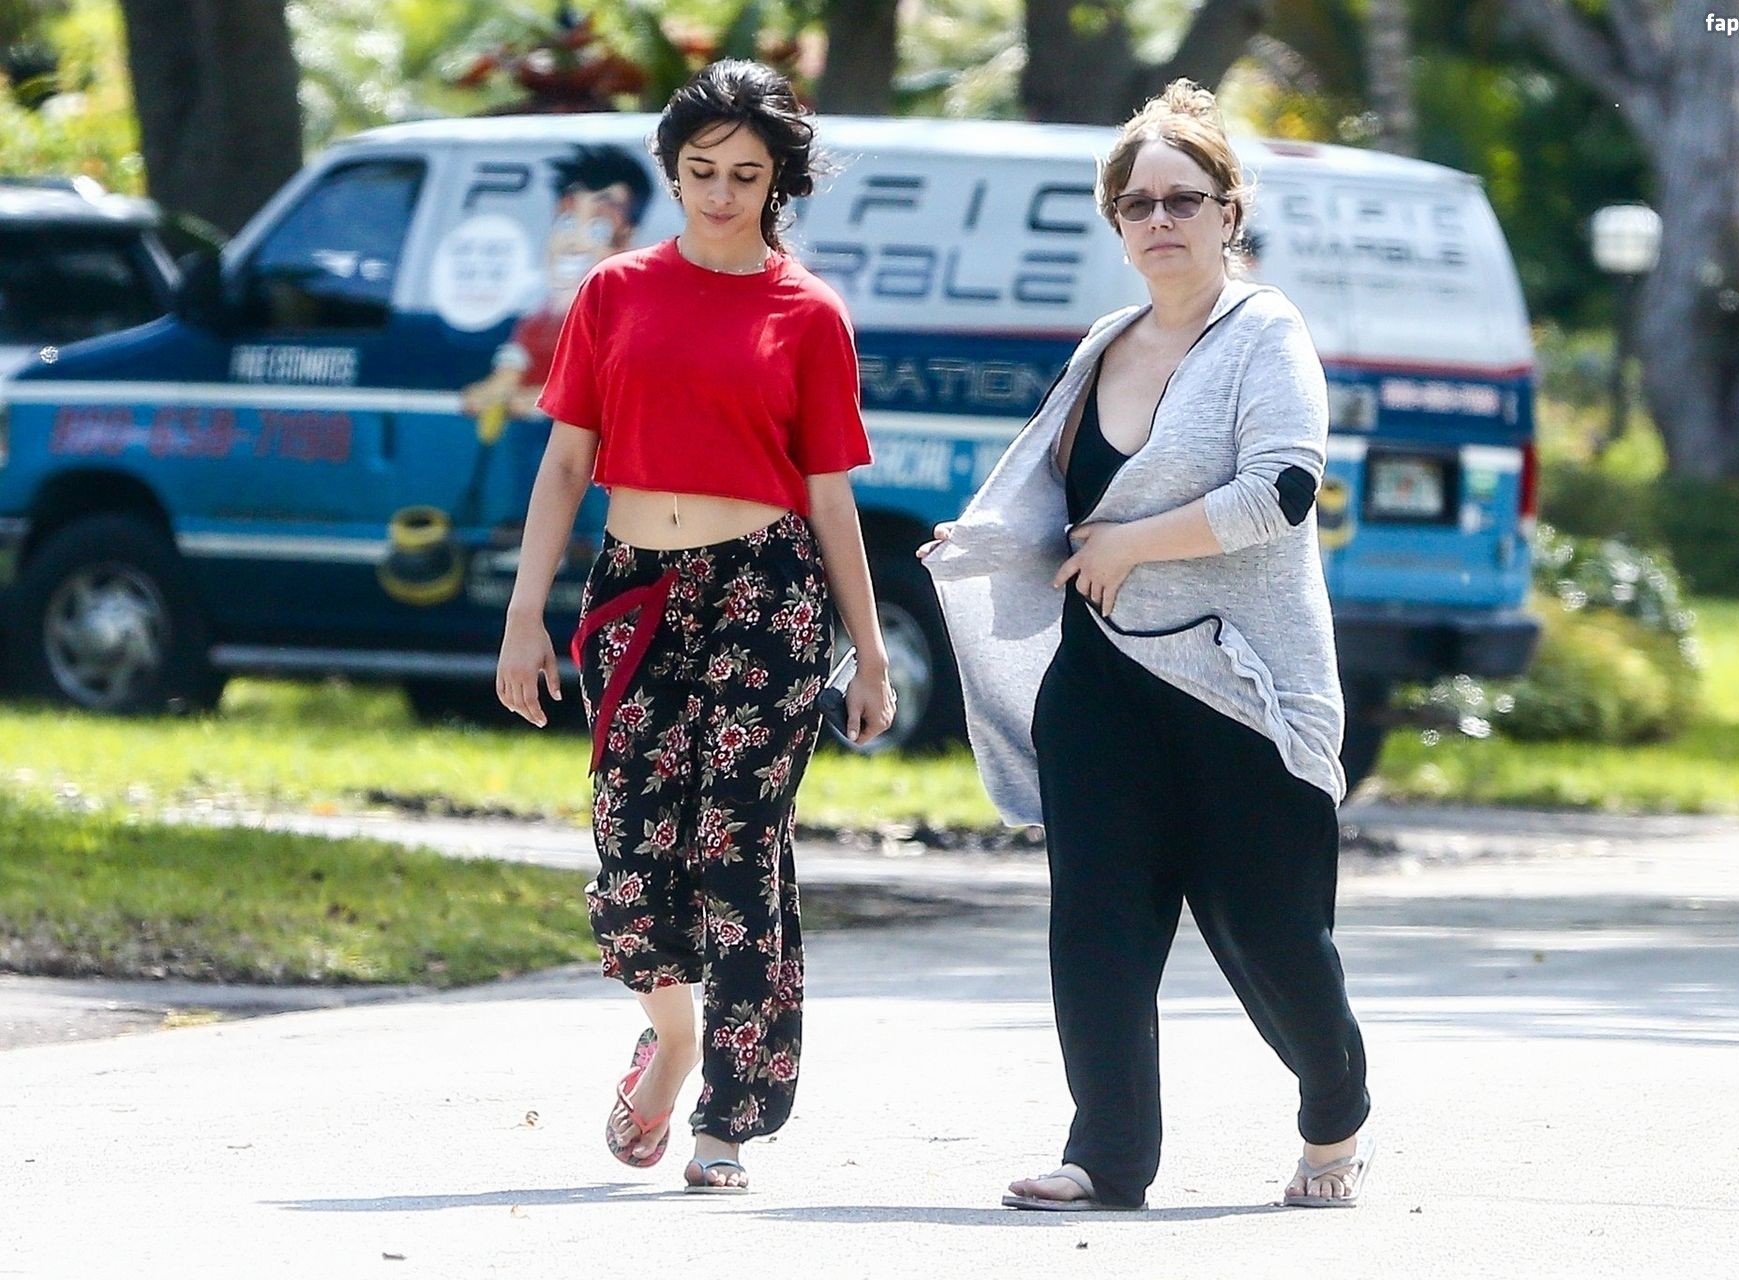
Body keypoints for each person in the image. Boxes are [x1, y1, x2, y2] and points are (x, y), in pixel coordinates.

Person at [919, 79, 1372, 1212]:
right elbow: (1061, 500)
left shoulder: (1265, 333)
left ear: (1230, 211)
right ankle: (1107, 1155)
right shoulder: (1104, 344)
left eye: (1184, 199)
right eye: (1138, 203)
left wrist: (1131, 543)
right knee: (1099, 925)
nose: (1160, 219)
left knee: (1274, 934)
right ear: (1116, 225)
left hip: (1238, 687)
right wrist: (992, 545)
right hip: (1103, 681)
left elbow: (1283, 490)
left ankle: (1335, 1118)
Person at [495, 59, 896, 1195]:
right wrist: (524, 617)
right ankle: (670, 1037)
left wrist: (869, 653)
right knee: (630, 835)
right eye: (702, 170)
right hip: (634, 588)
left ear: (779, 184)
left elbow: (829, 496)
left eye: (746, 175)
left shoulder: (807, 311)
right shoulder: (614, 292)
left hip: (767, 591)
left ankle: (728, 1117)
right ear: (672, 171)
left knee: (739, 845)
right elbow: (564, 462)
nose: (720, 193)